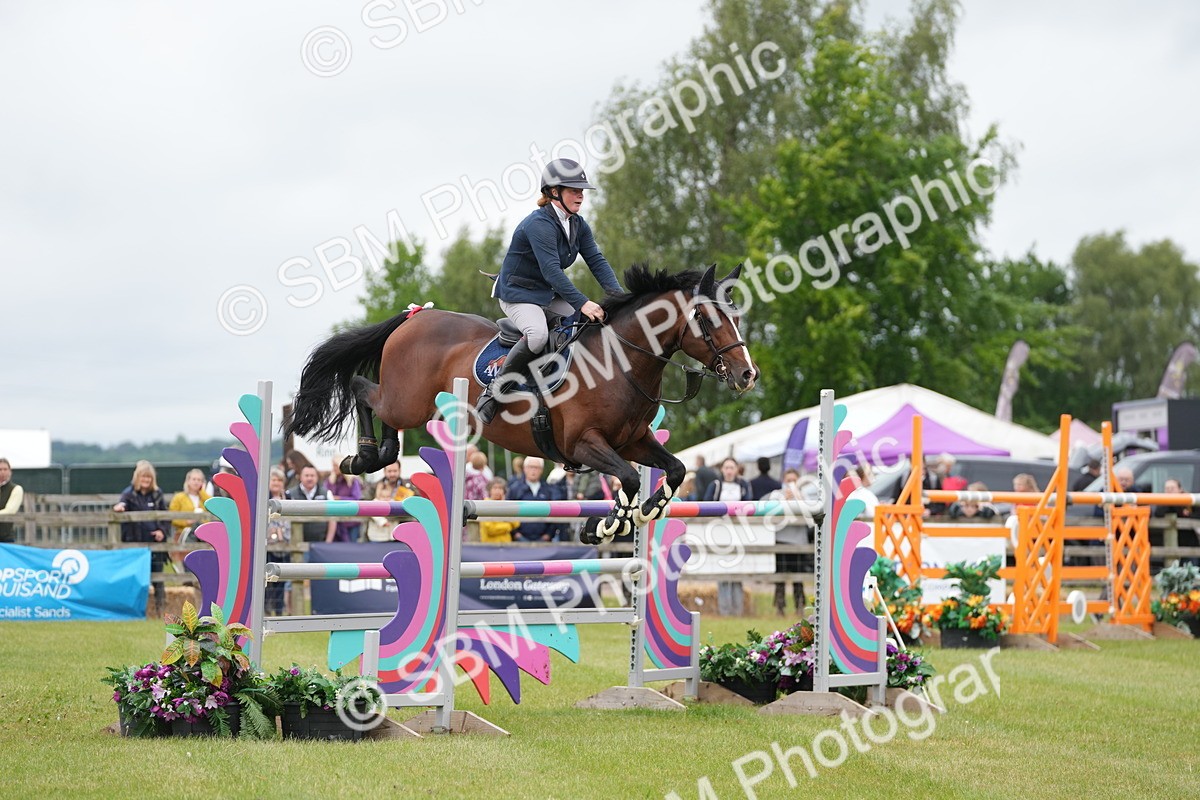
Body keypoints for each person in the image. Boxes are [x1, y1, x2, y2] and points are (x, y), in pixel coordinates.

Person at [475, 158, 623, 424]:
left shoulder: (577, 224)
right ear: (554, 192)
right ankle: (494, 391)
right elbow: (552, 272)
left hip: (546, 294)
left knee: (585, 326)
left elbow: (597, 262)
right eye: (573, 189)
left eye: (582, 190)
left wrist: (621, 298)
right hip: (517, 294)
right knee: (538, 335)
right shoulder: (538, 225)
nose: (580, 195)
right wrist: (584, 302)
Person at [113, 460, 171, 616]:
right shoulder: (129, 493)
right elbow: (122, 504)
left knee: (158, 579)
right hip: (135, 546)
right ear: (137, 478)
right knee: (135, 580)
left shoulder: (157, 494)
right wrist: (120, 507)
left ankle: (161, 612)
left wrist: (162, 531)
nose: (146, 481)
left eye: (149, 478)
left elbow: (165, 517)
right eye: (143, 477)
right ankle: (134, 611)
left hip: (155, 545)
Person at [769, 469, 811, 614]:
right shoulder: (776, 495)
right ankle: (780, 607)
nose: (791, 483)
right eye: (788, 480)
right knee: (780, 576)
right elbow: (771, 514)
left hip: (799, 542)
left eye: (794, 480)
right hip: (781, 540)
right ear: (783, 481)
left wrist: (798, 499)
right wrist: (784, 501)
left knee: (798, 577)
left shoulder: (803, 496)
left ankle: (800, 606)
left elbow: (810, 519)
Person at [509, 457, 564, 542]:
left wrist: (548, 534)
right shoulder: (514, 489)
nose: (533, 470)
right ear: (524, 469)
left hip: (544, 540)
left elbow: (555, 512)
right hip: (519, 539)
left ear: (541, 470)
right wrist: (515, 534)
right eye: (530, 467)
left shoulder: (548, 490)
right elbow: (508, 513)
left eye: (536, 467)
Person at [365, 462, 415, 542]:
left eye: (395, 471)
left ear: (400, 470)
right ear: (384, 471)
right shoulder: (374, 486)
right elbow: (365, 504)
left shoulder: (408, 487)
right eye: (389, 471)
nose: (392, 474)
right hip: (378, 533)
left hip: (402, 532)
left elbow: (415, 505)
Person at [286, 465, 336, 543]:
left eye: (312, 475)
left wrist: (328, 542)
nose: (309, 478)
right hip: (295, 544)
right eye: (306, 475)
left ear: (317, 477)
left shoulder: (327, 494)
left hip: (321, 543)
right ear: (300, 477)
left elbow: (333, 519)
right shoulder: (289, 494)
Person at [265, 469, 291, 616]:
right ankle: (266, 608)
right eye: (273, 480)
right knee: (268, 579)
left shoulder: (288, 497)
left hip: (285, 543)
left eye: (279, 480)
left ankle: (279, 609)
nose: (276, 483)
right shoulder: (264, 498)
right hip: (268, 544)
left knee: (282, 579)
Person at [325, 458, 363, 542]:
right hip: (336, 521)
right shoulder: (330, 481)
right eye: (333, 466)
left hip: (351, 521)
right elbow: (325, 494)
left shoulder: (353, 481)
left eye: (336, 466)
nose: (334, 468)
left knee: (352, 547)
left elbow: (356, 498)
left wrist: (339, 499)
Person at [479, 478, 519, 544]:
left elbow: (516, 523)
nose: (497, 491)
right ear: (490, 490)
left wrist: (504, 504)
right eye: (495, 488)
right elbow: (490, 529)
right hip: (489, 546)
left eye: (500, 488)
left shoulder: (507, 505)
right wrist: (508, 526)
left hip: (506, 545)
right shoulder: (485, 505)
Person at [0, 458, 24, 544]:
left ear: (10, 471)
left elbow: (10, 510)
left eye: (5, 469)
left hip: (5, 538)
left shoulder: (16, 489)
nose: (2, 472)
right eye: (0, 469)